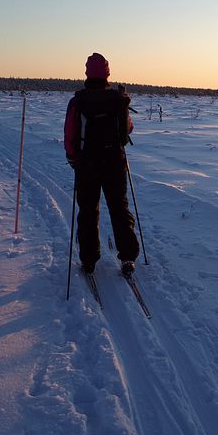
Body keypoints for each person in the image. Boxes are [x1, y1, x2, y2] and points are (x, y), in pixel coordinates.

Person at [63, 53, 139, 277]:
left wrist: (72, 157)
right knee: (119, 208)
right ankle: (127, 257)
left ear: (87, 72)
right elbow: (128, 129)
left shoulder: (78, 101)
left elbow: (70, 134)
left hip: (87, 163)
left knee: (88, 210)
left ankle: (88, 260)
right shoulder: (118, 99)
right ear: (107, 73)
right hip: (115, 162)